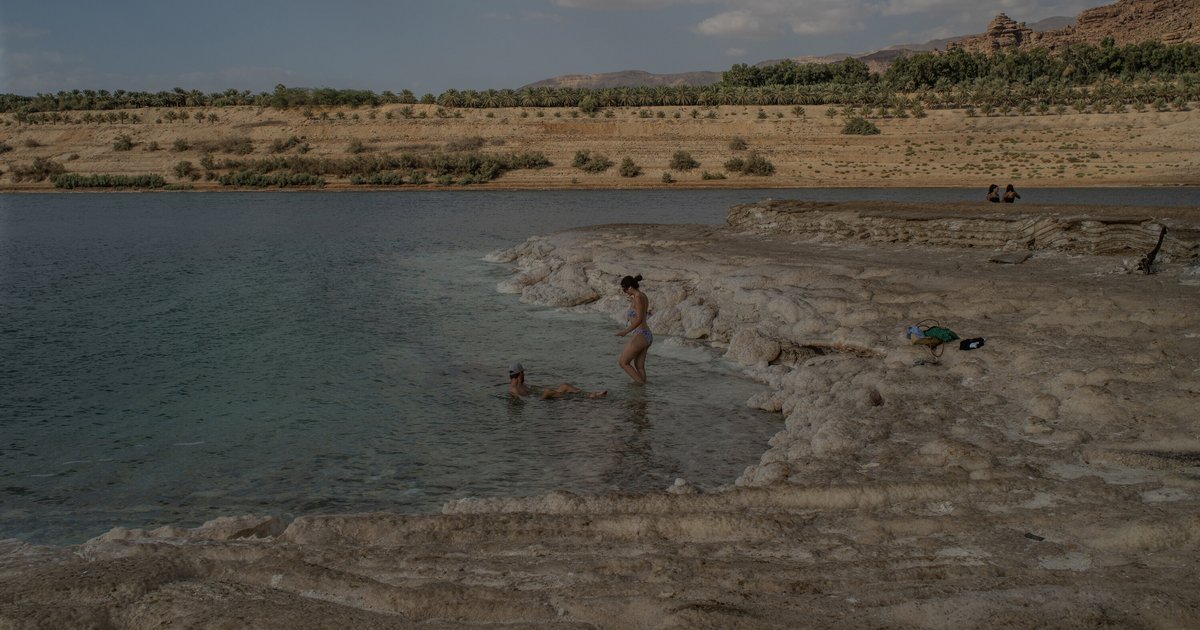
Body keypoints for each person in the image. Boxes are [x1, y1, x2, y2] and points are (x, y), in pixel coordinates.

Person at [615, 274, 651, 384]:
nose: (625, 292)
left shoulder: (639, 298)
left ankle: (640, 385)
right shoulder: (641, 296)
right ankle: (643, 396)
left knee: (623, 362)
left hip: (641, 334)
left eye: (625, 289)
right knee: (639, 366)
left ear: (630, 287)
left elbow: (639, 319)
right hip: (646, 334)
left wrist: (625, 332)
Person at [507, 363, 606, 400]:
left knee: (564, 386)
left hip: (538, 397)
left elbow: (533, 390)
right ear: (520, 374)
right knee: (548, 392)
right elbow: (525, 400)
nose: (525, 375)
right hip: (538, 401)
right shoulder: (514, 389)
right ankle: (582, 399)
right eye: (523, 373)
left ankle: (590, 394)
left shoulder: (522, 384)